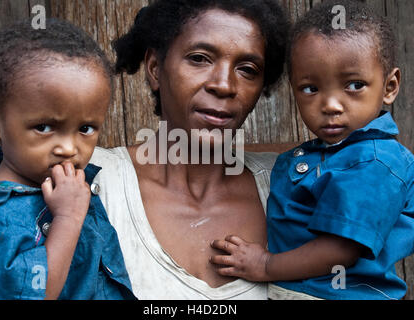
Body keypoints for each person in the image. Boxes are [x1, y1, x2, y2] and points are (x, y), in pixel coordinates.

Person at [210, 0, 414, 300]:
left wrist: (266, 265)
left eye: (354, 85)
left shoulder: (375, 161)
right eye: (310, 89)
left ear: (389, 86)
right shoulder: (329, 152)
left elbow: (340, 250)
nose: (331, 105)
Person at [90, 0, 289, 299]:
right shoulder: (93, 180)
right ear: (155, 69)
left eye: (247, 69)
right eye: (199, 58)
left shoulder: (291, 185)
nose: (224, 85)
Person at [0, 18, 135, 300]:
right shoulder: (2, 225)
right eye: (44, 127)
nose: (69, 148)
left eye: (85, 129)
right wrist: (68, 218)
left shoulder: (56, 185)